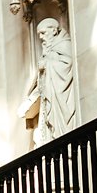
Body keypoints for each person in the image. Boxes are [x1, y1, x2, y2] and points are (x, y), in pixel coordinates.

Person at [26, 17, 76, 146]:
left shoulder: (64, 44)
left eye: (43, 33)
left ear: (54, 30)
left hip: (60, 98)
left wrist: (47, 64)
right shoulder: (49, 48)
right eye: (39, 35)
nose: (41, 37)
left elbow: (68, 65)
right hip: (51, 99)